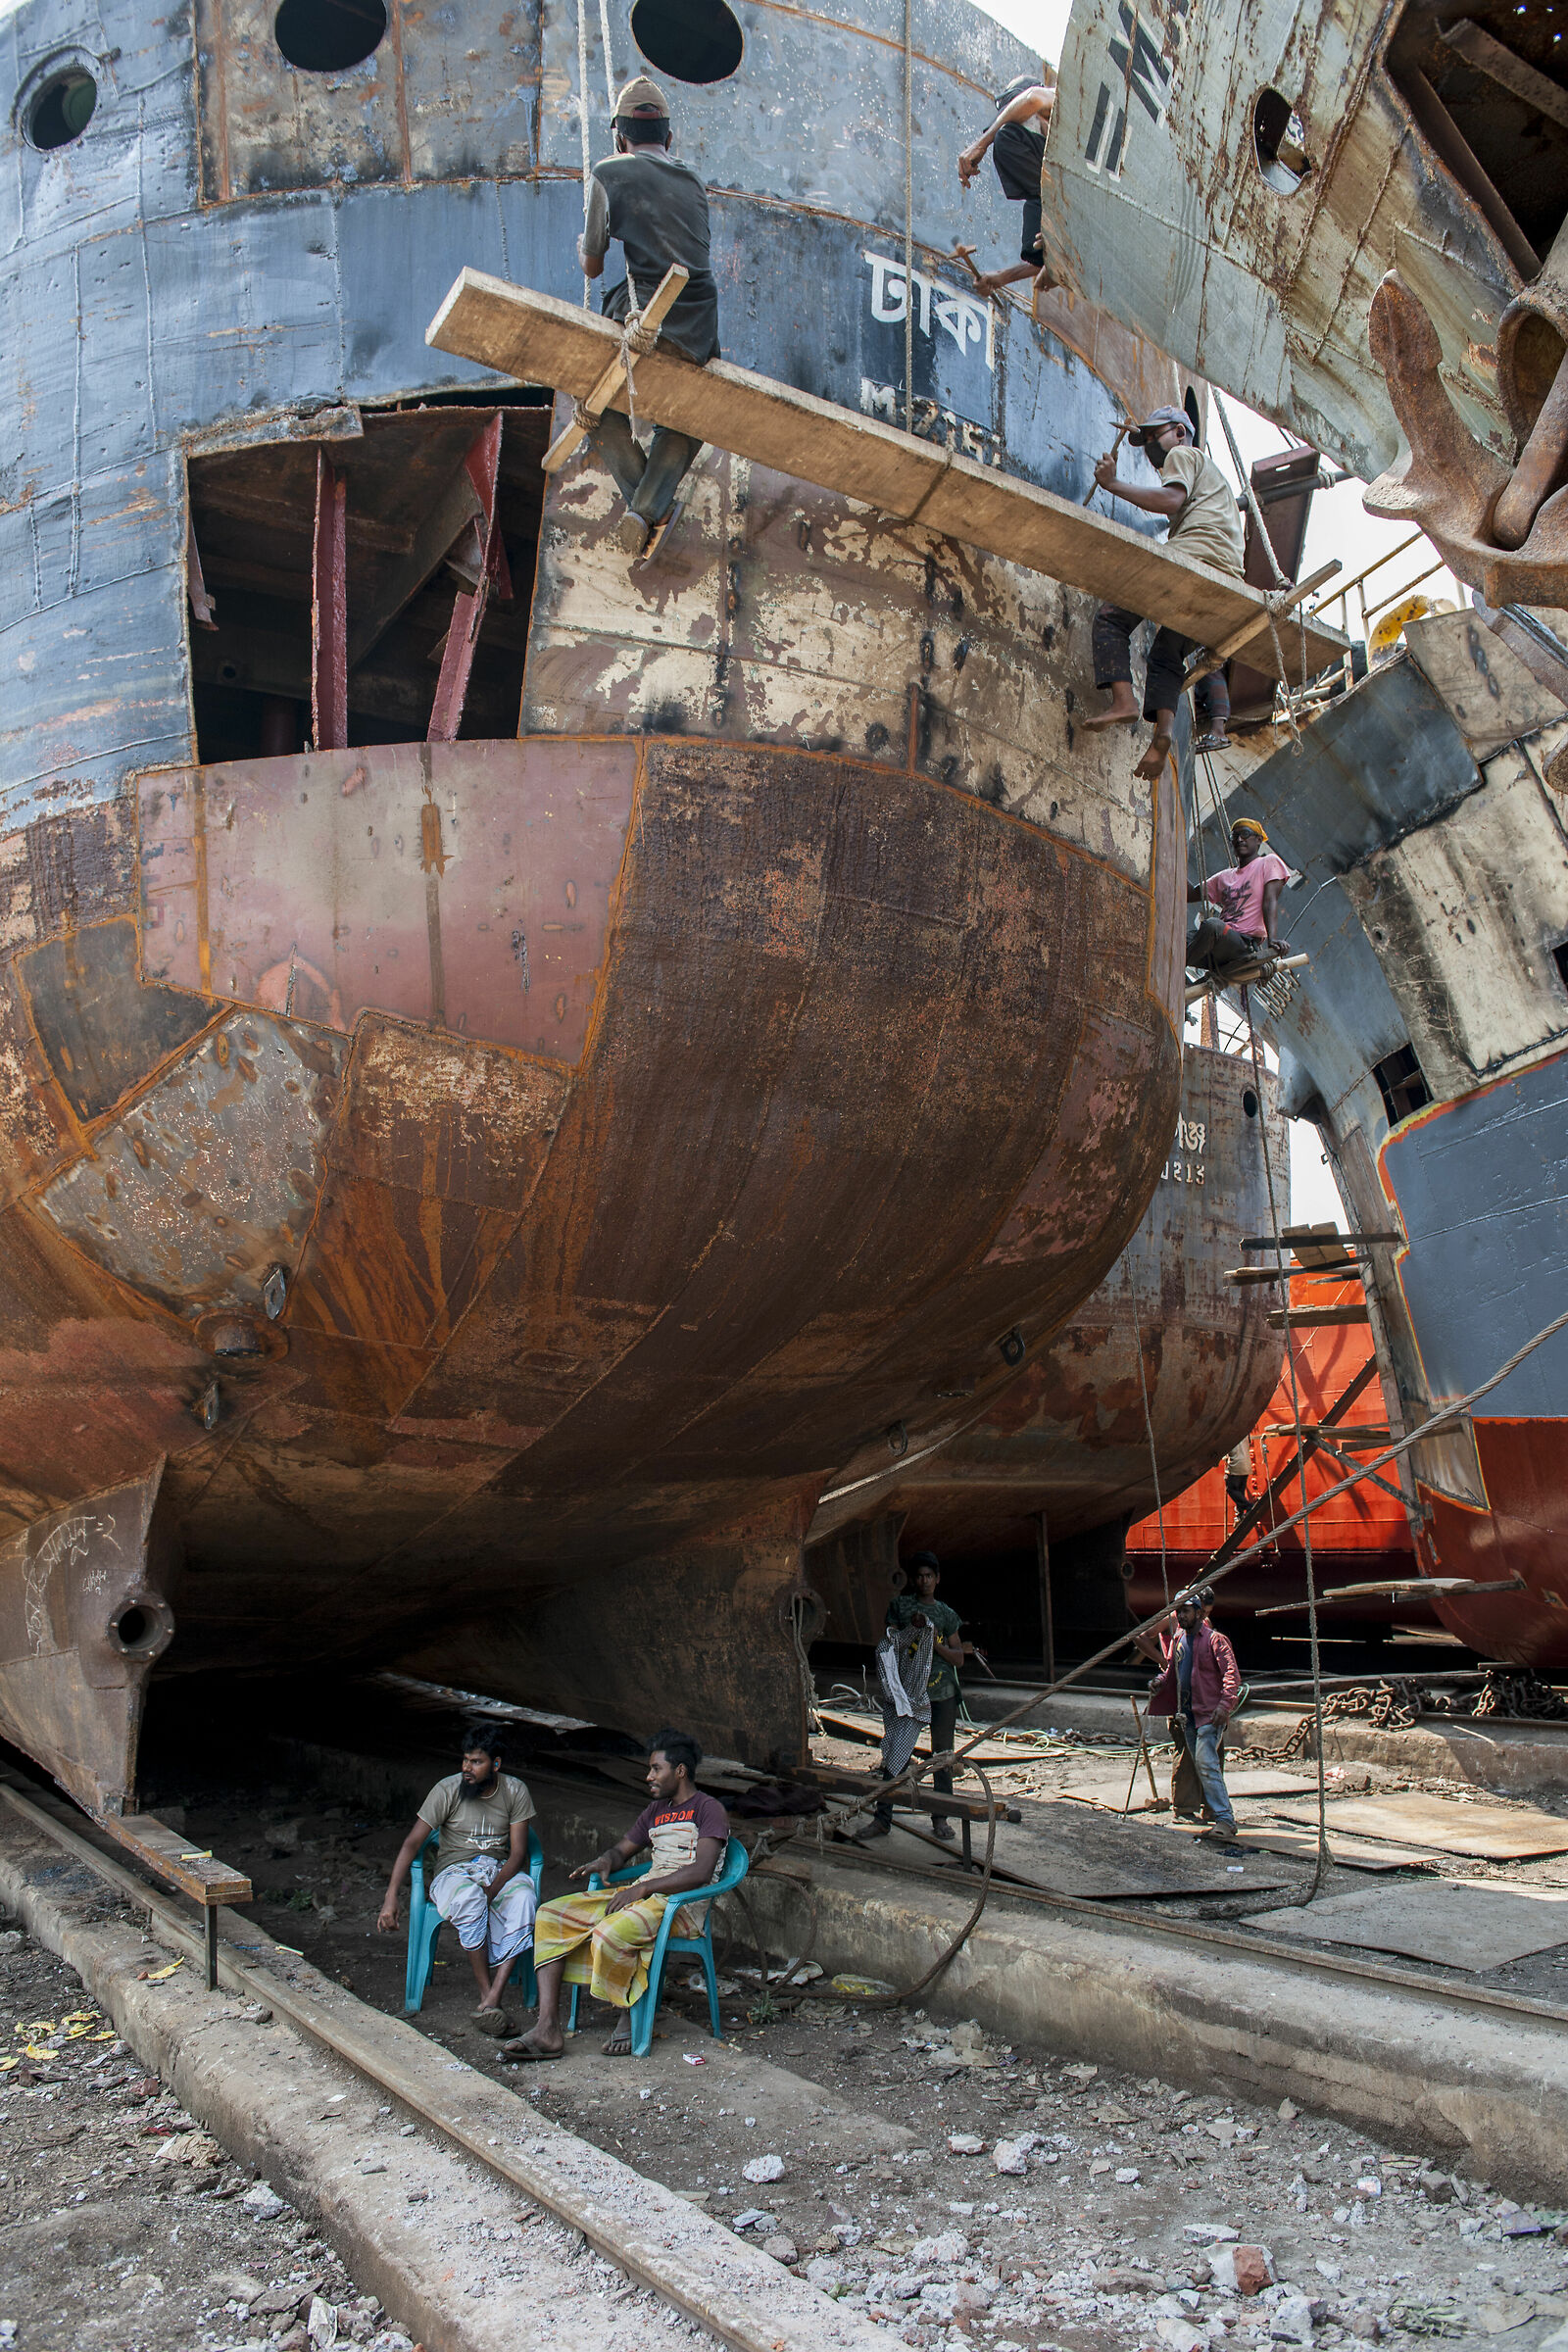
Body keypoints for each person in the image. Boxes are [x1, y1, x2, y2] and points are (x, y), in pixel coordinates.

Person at [503, 1731, 727, 2060]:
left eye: (656, 1769)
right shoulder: (654, 1810)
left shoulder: (709, 1809)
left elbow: (701, 1872)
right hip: (646, 1897)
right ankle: (547, 2027)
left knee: (611, 1932)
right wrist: (606, 1860)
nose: (648, 1776)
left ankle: (628, 2007)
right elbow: (622, 1851)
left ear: (680, 1771)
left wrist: (644, 1887)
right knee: (550, 1917)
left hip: (680, 1907)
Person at [578, 76, 720, 558]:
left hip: (645, 311)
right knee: (689, 418)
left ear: (620, 137)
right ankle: (644, 512)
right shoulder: (695, 182)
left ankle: (644, 502)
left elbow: (593, 265)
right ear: (670, 139)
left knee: (593, 400)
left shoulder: (608, 170)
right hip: (700, 322)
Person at [1082, 407, 1246, 781]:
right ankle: (1163, 736)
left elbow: (1170, 500)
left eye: (1155, 436)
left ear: (1178, 431)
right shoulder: (1212, 477)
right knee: (1166, 655)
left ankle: (1123, 701)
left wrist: (1113, 484)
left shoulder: (1183, 454)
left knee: (1112, 618)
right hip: (1225, 577)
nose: (1151, 447)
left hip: (1195, 558)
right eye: (1147, 441)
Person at [376, 1725, 538, 2035]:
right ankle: (485, 1995)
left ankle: (494, 1997)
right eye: (465, 1760)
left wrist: (494, 1888)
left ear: (496, 1764)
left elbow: (518, 1853)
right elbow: (412, 1843)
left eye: (476, 1762)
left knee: (525, 1897)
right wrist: (391, 1896)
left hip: (498, 1869)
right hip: (453, 1872)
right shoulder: (446, 1790)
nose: (467, 1768)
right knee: (469, 1898)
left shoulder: (515, 1791)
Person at [869, 1552, 970, 1841]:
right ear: (914, 1579)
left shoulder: (946, 1614)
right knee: (896, 1754)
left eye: (930, 1576)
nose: (925, 1581)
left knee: (942, 1757)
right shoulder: (900, 1606)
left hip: (942, 1692)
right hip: (909, 1694)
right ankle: (882, 1818)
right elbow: (891, 1642)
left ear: (937, 1579)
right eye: (920, 1576)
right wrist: (915, 1629)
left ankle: (940, 1819)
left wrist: (934, 1641)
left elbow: (959, 1658)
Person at [1141, 1587, 1242, 1845]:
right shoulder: (1179, 1641)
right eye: (1178, 1611)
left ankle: (1225, 1820)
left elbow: (1232, 1677)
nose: (1180, 1616)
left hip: (1210, 1716)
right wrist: (1159, 1682)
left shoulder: (1216, 1641)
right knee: (1203, 1765)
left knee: (1207, 1764)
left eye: (1185, 1611)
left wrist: (1224, 1705)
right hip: (1188, 1717)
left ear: (1198, 1613)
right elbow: (1172, 1672)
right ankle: (1220, 1817)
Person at [956, 75, 1056, 299]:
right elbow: (1047, 260)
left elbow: (1032, 99)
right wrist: (1002, 277)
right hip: (1082, 221)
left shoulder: (1061, 105)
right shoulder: (1041, 197)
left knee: (1006, 137)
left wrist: (982, 144)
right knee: (1037, 220)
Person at [1187, 816, 1289, 979]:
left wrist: (1273, 940)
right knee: (1177, 938)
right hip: (1217, 944)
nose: (1240, 839)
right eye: (1234, 836)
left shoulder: (1268, 862)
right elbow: (1191, 894)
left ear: (1258, 840)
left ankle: (1177, 966)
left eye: (1245, 834)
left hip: (1241, 944)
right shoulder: (1224, 877)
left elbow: (1270, 901)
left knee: (1212, 926)